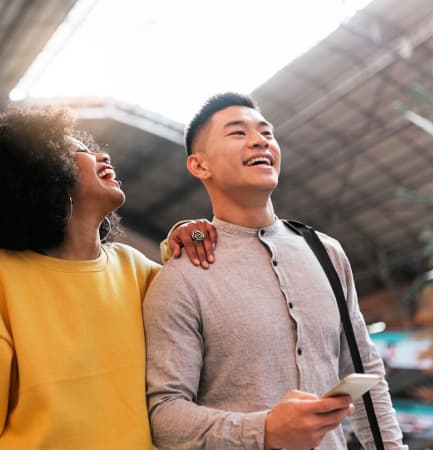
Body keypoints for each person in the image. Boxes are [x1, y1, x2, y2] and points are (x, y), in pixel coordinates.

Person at [143, 92, 407, 450]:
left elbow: (365, 375)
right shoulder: (182, 278)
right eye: (237, 133)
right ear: (199, 166)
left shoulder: (326, 253)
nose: (259, 140)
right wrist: (262, 429)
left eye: (266, 132)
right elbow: (164, 416)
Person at [0, 107, 168, 448]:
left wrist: (189, 235)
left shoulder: (137, 269)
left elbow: (203, 300)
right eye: (82, 153)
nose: (103, 155)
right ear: (47, 172)